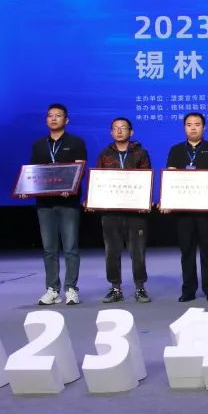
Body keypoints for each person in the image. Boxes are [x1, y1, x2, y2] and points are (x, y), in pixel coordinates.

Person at [29, 103, 87, 305]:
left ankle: (71, 289)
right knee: (49, 249)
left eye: (58, 115)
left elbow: (80, 170)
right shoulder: (39, 145)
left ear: (66, 120)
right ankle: (52, 289)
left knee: (70, 247)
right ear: (46, 120)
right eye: (50, 115)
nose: (53, 118)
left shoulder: (76, 142)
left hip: (68, 202)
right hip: (44, 203)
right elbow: (34, 173)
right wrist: (27, 188)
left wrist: (70, 188)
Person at [165, 113, 208, 302]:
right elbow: (171, 177)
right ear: (184, 127)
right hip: (183, 211)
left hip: (206, 210)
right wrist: (168, 200)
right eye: (189, 124)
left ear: (204, 127)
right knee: (187, 251)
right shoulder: (176, 150)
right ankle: (188, 290)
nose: (193, 128)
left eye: (197, 124)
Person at [96, 117, 152, 303]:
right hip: (111, 211)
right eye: (115, 128)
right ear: (111, 132)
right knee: (112, 251)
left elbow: (146, 179)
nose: (119, 131)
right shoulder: (105, 154)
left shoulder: (141, 153)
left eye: (123, 128)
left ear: (131, 132)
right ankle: (115, 288)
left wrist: (144, 202)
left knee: (138, 251)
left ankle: (140, 287)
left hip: (135, 212)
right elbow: (99, 180)